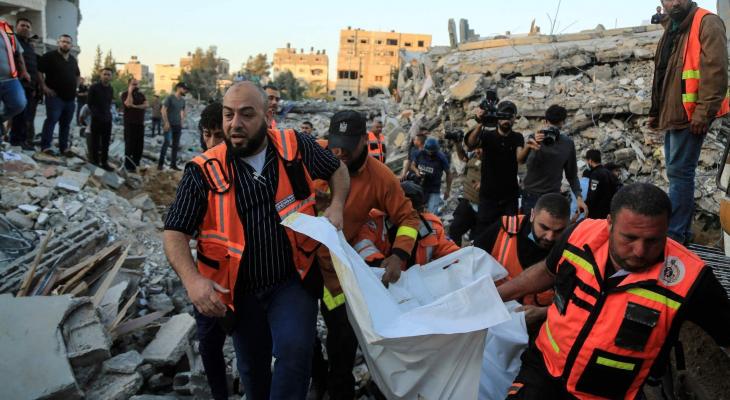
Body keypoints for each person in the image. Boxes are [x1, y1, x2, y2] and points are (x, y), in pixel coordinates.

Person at [163, 82, 350, 400]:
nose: (235, 124)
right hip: (240, 293)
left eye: (246, 115)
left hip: (291, 280)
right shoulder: (203, 171)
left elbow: (338, 170)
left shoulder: (295, 146)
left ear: (267, 114)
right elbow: (173, 232)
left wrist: (336, 205)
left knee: (294, 351)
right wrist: (192, 281)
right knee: (253, 371)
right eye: (228, 115)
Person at [498, 183, 730, 400]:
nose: (640, 251)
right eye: (629, 238)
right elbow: (548, 271)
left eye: (653, 240)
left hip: (603, 394)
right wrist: (495, 295)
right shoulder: (580, 235)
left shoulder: (690, 279)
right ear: (609, 224)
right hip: (543, 370)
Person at [316, 110, 421, 400]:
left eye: (347, 146)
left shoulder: (380, 177)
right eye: (335, 145)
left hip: (337, 274)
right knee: (295, 336)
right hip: (299, 264)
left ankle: (338, 390)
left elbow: (408, 218)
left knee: (341, 342)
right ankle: (316, 377)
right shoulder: (316, 155)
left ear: (364, 139)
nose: (339, 152)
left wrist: (398, 255)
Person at [649, 0, 728, 244]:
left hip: (691, 114)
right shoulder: (675, 26)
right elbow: (663, 72)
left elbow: (716, 72)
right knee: (676, 172)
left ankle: (676, 234)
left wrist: (703, 112)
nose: (674, 2)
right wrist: (656, 111)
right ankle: (679, 231)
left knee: (680, 173)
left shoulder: (707, 22)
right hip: (675, 112)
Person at [474, 193, 570, 331]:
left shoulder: (571, 251)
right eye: (544, 228)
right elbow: (469, 265)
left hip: (536, 329)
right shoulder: (505, 229)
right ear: (532, 215)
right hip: (489, 317)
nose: (549, 237)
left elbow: (574, 304)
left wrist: (543, 312)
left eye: (558, 231)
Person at [354, 180, 459, 268]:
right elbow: (362, 244)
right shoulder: (375, 221)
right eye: (402, 211)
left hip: (416, 281)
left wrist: (459, 263)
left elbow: (450, 251)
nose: (408, 217)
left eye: (413, 212)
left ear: (421, 210)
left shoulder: (432, 226)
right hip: (381, 279)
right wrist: (380, 265)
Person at [465, 100, 529, 233]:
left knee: (508, 234)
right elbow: (470, 144)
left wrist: (528, 147)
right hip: (488, 197)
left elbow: (520, 159)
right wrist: (481, 123)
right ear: (498, 116)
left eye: (510, 116)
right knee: (484, 234)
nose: (507, 120)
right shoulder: (487, 135)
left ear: (514, 118)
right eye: (503, 115)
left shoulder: (517, 137)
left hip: (509, 197)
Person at [522, 105, 587, 217]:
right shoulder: (535, 138)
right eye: (551, 124)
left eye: (556, 125)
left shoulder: (567, 144)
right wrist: (533, 145)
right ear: (545, 122)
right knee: (529, 227)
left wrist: (579, 198)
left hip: (552, 197)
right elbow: (522, 162)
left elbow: (572, 175)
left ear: (562, 124)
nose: (552, 128)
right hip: (531, 195)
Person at [39, 34, 79, 156]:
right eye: (63, 41)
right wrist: (44, 87)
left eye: (68, 42)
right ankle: (46, 146)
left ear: (71, 45)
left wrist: (76, 88)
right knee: (51, 120)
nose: (65, 44)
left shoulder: (73, 60)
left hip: (70, 98)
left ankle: (64, 148)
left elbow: (77, 75)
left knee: (65, 124)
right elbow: (39, 71)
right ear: (58, 43)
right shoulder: (49, 56)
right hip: (55, 96)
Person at [9, 17, 39, 150]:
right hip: (16, 82)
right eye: (22, 25)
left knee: (26, 115)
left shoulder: (29, 46)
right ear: (16, 27)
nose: (25, 28)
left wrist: (35, 86)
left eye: (28, 26)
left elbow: (34, 68)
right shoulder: (12, 41)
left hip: (29, 86)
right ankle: (15, 141)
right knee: (19, 113)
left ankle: (23, 140)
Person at [449, 143, 482, 246]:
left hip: (484, 209)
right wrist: (457, 143)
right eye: (476, 148)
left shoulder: (497, 162)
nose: (477, 151)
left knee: (477, 241)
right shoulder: (473, 156)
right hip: (467, 203)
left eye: (481, 148)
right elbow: (462, 156)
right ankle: (455, 253)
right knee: (454, 230)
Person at [411, 137, 452, 214]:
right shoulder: (419, 153)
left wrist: (448, 190)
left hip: (434, 188)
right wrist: (416, 171)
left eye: (433, 152)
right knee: (416, 211)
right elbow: (412, 165)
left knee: (432, 213)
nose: (430, 154)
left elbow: (449, 173)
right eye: (429, 152)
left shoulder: (441, 158)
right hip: (420, 186)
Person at [87, 68, 114, 170]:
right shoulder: (94, 87)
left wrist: (108, 116)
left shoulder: (110, 88)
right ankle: (95, 161)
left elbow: (109, 103)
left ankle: (104, 162)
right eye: (104, 74)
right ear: (101, 75)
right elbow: (89, 103)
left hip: (107, 119)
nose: (106, 76)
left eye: (108, 74)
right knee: (95, 141)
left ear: (111, 76)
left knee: (106, 143)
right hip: (96, 119)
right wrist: (96, 114)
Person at [158, 82, 188, 170]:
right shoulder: (170, 98)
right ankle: (160, 164)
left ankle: (173, 164)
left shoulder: (182, 100)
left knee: (175, 145)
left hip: (177, 125)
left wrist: (182, 121)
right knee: (166, 143)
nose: (185, 91)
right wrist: (166, 122)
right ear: (178, 88)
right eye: (184, 89)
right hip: (169, 125)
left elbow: (182, 111)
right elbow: (163, 110)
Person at [121, 77, 148, 172]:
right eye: (133, 84)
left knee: (139, 145)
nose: (136, 86)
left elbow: (146, 105)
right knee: (129, 145)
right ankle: (128, 166)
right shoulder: (125, 94)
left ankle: (136, 163)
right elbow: (128, 104)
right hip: (129, 123)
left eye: (137, 84)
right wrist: (129, 92)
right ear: (129, 85)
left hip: (140, 123)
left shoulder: (141, 95)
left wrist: (135, 106)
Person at [584, 149, 618, 219]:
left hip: (597, 215)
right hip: (609, 213)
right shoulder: (610, 174)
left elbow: (592, 196)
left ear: (590, 161)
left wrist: (582, 209)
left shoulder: (595, 175)